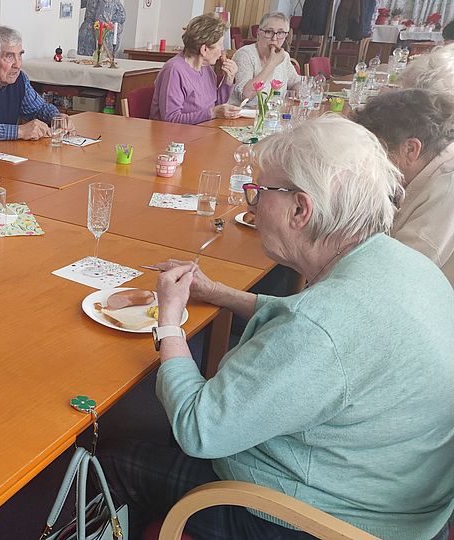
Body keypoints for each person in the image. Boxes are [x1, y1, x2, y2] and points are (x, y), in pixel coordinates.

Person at [100, 116, 454, 539]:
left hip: (321, 520)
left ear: (301, 209)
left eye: (259, 192)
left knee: (115, 460)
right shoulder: (404, 263)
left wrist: (169, 323)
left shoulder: (320, 325)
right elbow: (312, 324)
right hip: (399, 497)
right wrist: (221, 294)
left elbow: (199, 428)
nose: (251, 205)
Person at [352, 88, 454, 285]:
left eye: (376, 152)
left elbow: (395, 276)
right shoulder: (434, 165)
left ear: (410, 149)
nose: (368, 163)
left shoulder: (447, 187)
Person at [150, 14, 241, 124]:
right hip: (172, 136)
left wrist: (228, 80)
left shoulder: (207, 69)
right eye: (220, 45)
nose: (222, 51)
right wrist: (213, 113)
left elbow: (216, 106)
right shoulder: (174, 70)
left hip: (202, 131)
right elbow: (171, 119)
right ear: (204, 49)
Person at [229, 12, 302, 106]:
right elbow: (245, 96)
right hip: (241, 115)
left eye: (280, 33)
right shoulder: (244, 54)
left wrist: (300, 92)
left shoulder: (284, 56)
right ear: (258, 33)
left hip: (272, 116)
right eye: (269, 32)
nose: (274, 38)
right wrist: (272, 64)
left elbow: (296, 82)